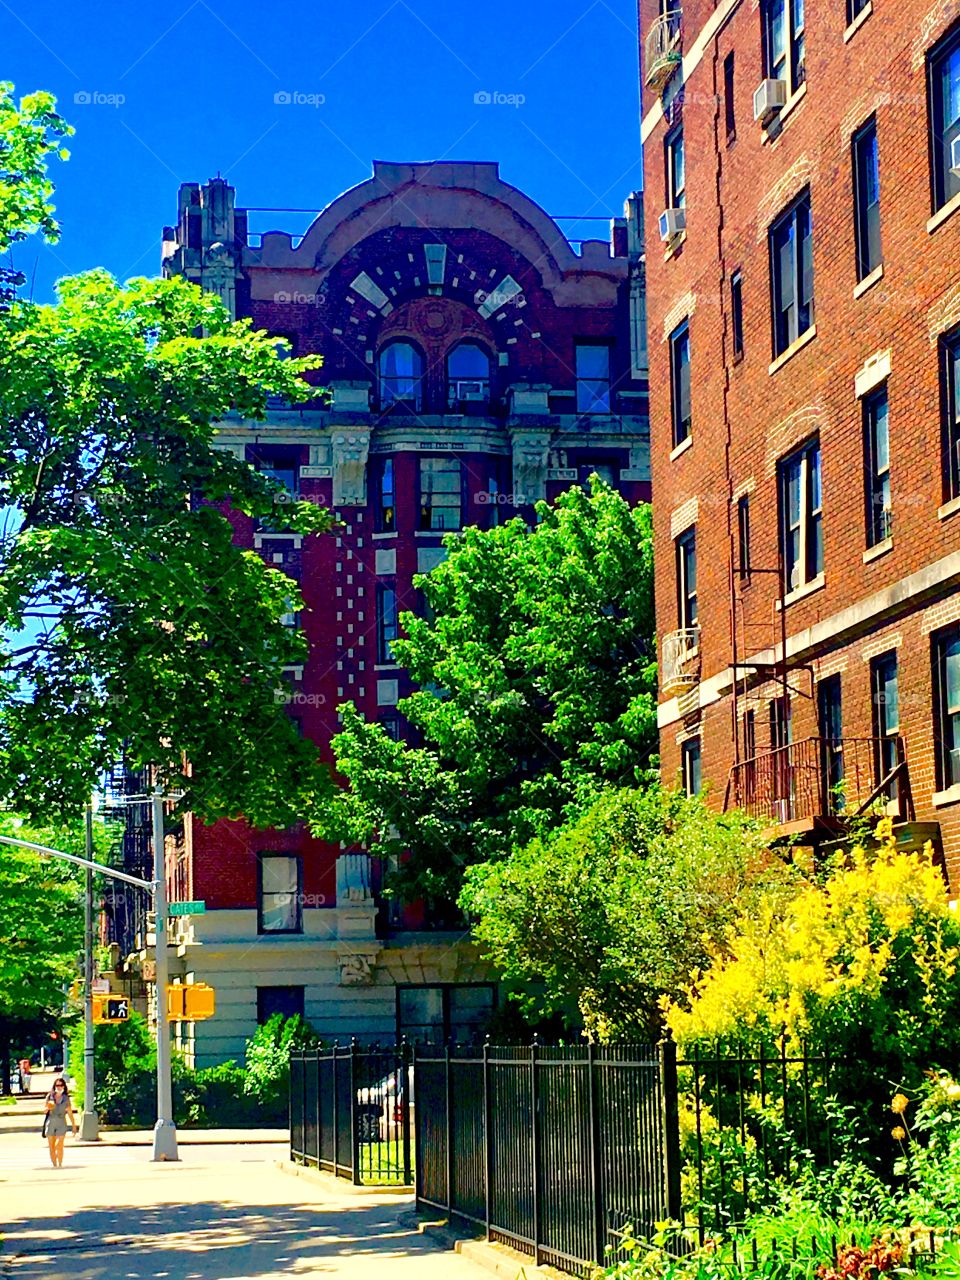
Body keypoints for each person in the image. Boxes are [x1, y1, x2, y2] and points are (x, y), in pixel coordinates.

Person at [44, 1077, 77, 1168]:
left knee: (59, 1144)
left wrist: (74, 1125)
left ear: (64, 1087)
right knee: (52, 1147)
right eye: (57, 1085)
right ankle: (55, 1165)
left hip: (61, 1122)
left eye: (61, 1085)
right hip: (51, 1122)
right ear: (54, 1086)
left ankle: (60, 1163)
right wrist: (48, 1108)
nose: (59, 1087)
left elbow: (69, 1112)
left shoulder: (65, 1098)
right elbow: (44, 1110)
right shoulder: (50, 1097)